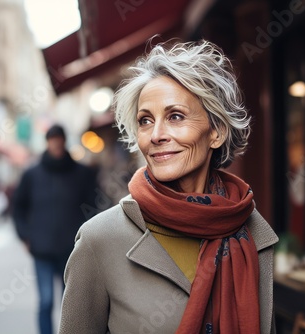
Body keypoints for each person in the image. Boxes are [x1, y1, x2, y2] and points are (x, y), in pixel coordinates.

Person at [58, 40, 279, 334]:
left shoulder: (253, 233)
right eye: (145, 121)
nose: (156, 135)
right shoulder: (99, 241)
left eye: (175, 116)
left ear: (216, 132)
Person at [12, 124, 97, 334]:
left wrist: (87, 238)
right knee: (46, 301)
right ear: (48, 142)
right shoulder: (32, 174)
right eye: (52, 139)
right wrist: (24, 236)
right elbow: (17, 206)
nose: (56, 143)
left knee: (69, 304)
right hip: (41, 249)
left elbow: (94, 207)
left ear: (64, 141)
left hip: (72, 249)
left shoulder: (81, 173)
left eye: (59, 139)